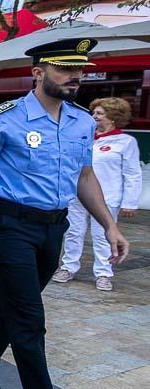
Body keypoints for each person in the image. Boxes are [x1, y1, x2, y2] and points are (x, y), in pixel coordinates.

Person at [0, 38, 130, 389]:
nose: (75, 77)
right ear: (38, 73)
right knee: (29, 320)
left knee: (15, 302)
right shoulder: (5, 118)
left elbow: (84, 177)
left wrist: (110, 225)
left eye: (80, 70)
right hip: (8, 226)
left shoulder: (82, 121)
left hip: (54, 228)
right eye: (64, 69)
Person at [54, 96, 141, 291]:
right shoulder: (85, 137)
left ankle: (103, 273)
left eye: (100, 114)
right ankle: (68, 267)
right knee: (73, 232)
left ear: (113, 117)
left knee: (103, 235)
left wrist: (130, 202)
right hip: (76, 195)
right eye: (94, 112)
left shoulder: (125, 142)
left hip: (108, 197)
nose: (94, 116)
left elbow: (133, 174)